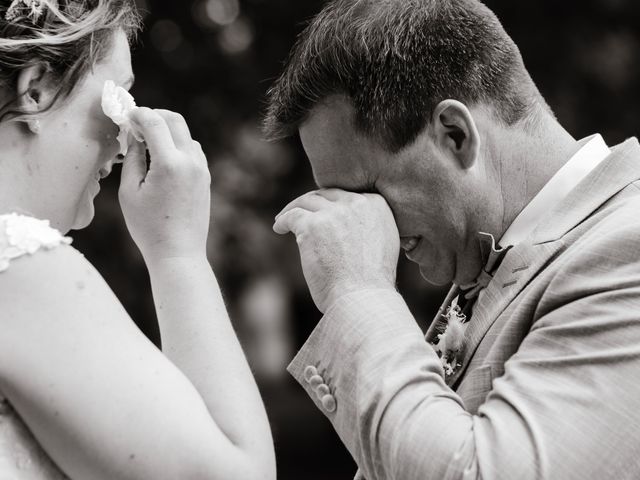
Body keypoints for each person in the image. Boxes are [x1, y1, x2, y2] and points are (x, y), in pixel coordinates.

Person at [265, 0, 640, 479]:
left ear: (455, 135)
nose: (355, 218)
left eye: (362, 191)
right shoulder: (492, 259)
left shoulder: (626, 251)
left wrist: (359, 293)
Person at [0, 1, 275, 479]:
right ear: (37, 89)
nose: (124, 142)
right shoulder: (20, 270)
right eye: (119, 100)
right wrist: (179, 255)